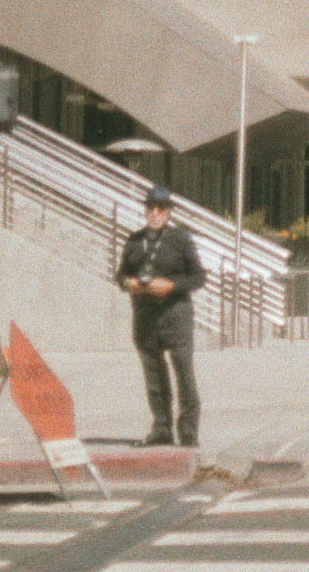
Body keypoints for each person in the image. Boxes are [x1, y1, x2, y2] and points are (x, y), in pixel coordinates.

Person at [116, 185, 206, 447]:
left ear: (168, 212)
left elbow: (198, 277)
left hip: (175, 314)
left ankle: (188, 432)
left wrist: (171, 285)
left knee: (184, 373)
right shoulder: (135, 240)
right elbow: (121, 274)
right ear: (145, 210)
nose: (155, 213)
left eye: (160, 209)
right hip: (145, 316)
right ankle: (162, 427)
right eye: (151, 208)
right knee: (153, 375)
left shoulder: (180, 238)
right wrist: (129, 283)